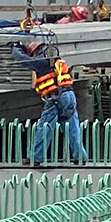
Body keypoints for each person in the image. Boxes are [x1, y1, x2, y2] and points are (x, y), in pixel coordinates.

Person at [13, 39, 87, 167]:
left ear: (36, 52)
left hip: (55, 97)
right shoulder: (55, 61)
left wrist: (15, 48)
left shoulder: (42, 61)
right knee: (72, 129)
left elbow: (23, 60)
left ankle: (36, 157)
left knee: (45, 127)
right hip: (69, 95)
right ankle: (80, 157)